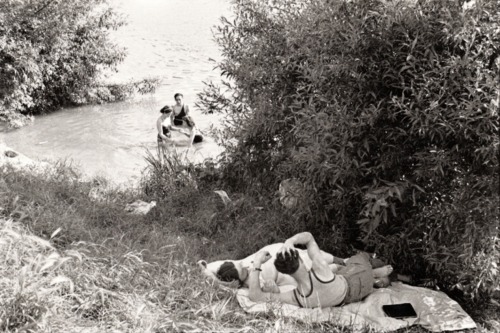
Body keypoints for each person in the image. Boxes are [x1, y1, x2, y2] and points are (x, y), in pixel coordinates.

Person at [248, 232, 393, 308]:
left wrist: (257, 263)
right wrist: (290, 241)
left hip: (346, 297)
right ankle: (374, 274)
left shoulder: (296, 297)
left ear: (286, 272)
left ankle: (376, 278)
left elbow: (255, 296)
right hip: (356, 280)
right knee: (362, 257)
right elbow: (309, 237)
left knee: (341, 269)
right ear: (300, 260)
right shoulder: (319, 268)